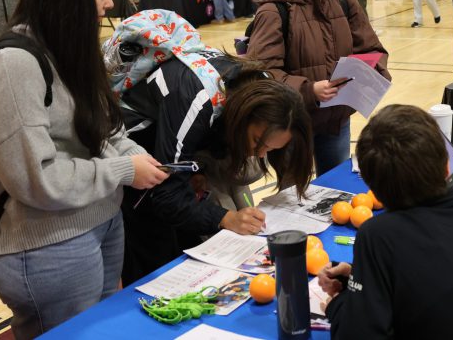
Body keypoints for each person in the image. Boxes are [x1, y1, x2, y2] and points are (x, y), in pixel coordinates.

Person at [0, 0, 169, 337]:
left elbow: (106, 127)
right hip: (49, 246)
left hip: (100, 223)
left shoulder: (70, 48)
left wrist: (135, 157)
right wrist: (121, 169)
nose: (109, 4)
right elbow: (35, 179)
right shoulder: (15, 66)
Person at [319, 105, 453, 340]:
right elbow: (443, 278)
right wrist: (360, 279)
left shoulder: (379, 235)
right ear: (447, 165)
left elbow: (357, 334)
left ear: (377, 193)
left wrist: (338, 303)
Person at [113, 44, 314, 283]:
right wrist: (225, 218)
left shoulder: (263, 91)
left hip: (172, 142)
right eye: (256, 142)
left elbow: (208, 136)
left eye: (271, 149)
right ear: (243, 117)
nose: (260, 154)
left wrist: (199, 170)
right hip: (136, 155)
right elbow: (166, 196)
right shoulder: (196, 100)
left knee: (190, 239)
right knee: (159, 263)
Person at [248, 0, 390, 175]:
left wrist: (371, 74)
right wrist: (309, 90)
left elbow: (371, 48)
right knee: (294, 201)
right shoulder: (274, 9)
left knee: (336, 191)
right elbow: (262, 73)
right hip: (290, 126)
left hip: (335, 121)